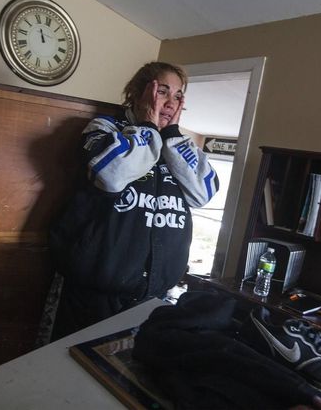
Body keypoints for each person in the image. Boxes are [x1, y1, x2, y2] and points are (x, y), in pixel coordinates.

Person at [49, 61, 220, 337]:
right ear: (139, 92)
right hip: (93, 296)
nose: (170, 102)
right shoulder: (104, 128)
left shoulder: (177, 144)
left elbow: (205, 192)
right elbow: (112, 175)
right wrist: (147, 127)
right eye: (162, 91)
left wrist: (171, 137)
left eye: (178, 95)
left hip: (151, 298)